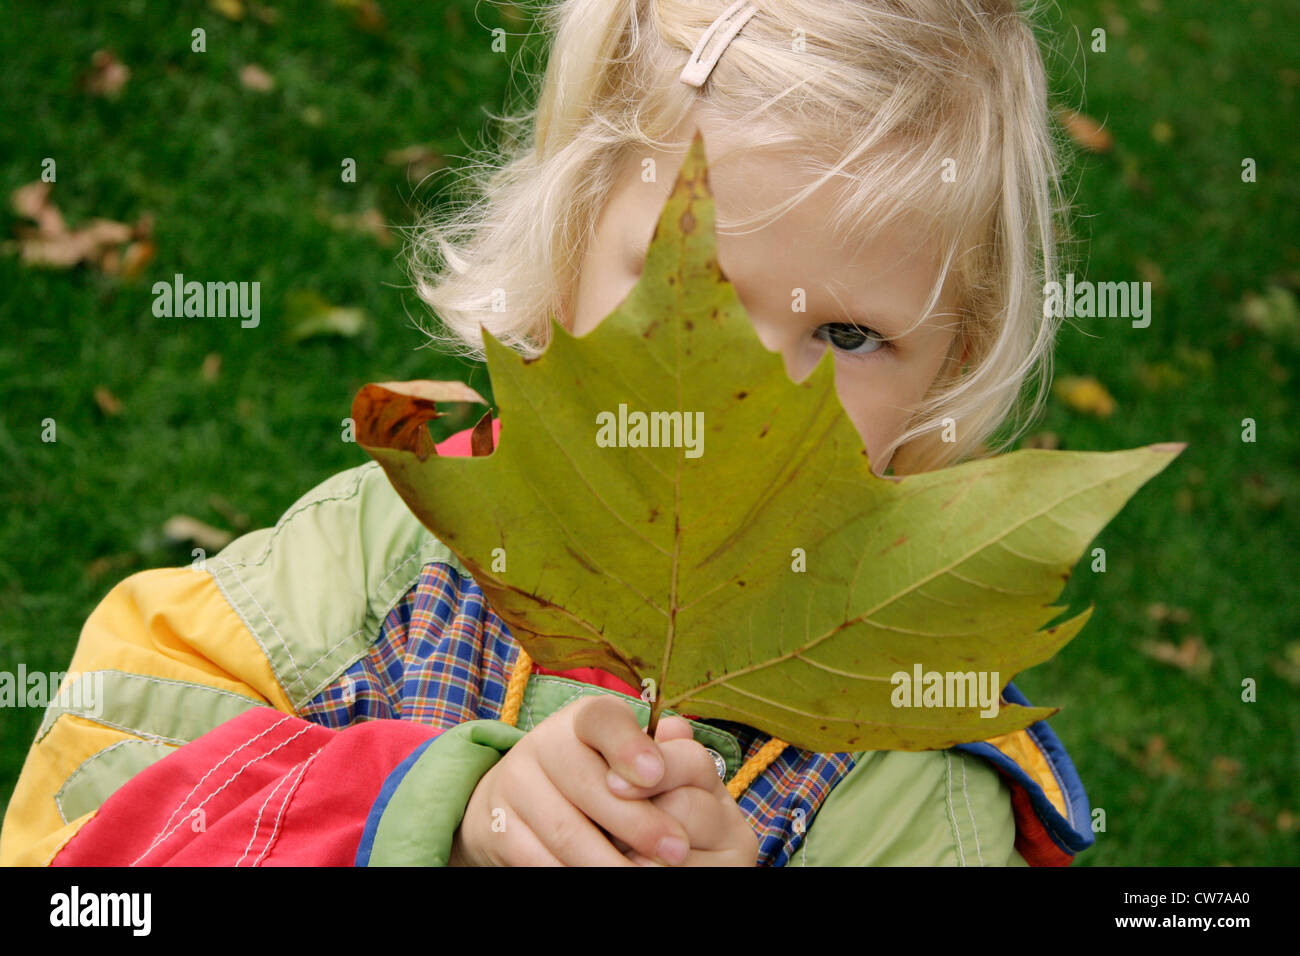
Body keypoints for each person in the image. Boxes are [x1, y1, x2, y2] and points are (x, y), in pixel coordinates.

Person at [0, 0, 1092, 867]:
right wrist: (437, 812)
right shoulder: (400, 553)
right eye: (692, 289)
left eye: (849, 334)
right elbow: (89, 824)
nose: (743, 401)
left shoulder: (913, 758)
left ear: (952, 363)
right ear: (568, 248)